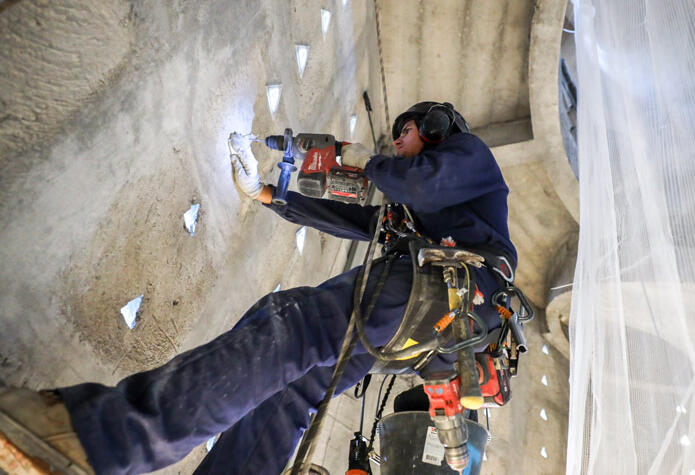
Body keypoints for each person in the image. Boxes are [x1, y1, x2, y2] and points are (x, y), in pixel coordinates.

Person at [0, 102, 517, 475]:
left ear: (432, 127)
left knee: (296, 325)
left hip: (452, 288)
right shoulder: (412, 211)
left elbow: (418, 181)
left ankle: (102, 438)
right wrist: (267, 192)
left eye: (403, 134)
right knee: (296, 387)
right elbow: (356, 218)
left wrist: (371, 164)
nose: (396, 143)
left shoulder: (467, 154)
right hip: (436, 326)